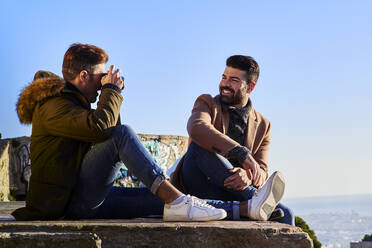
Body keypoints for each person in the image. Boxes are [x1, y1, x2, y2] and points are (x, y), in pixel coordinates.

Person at [12, 43, 228, 221]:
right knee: (124, 135)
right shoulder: (53, 106)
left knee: (160, 199)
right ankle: (180, 203)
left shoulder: (72, 102)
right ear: (84, 76)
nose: (103, 82)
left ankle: (245, 207)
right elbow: (106, 131)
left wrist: (112, 92)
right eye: (101, 76)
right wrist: (111, 91)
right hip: (62, 206)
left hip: (78, 196)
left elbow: (108, 132)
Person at [171, 55, 294, 225]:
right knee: (199, 147)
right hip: (198, 183)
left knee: (286, 214)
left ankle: (248, 204)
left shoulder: (263, 125)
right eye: (224, 77)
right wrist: (242, 153)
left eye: (234, 80)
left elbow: (262, 170)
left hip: (233, 191)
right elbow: (196, 128)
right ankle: (253, 201)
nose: (225, 84)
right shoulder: (206, 103)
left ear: (250, 87)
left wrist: (248, 177)